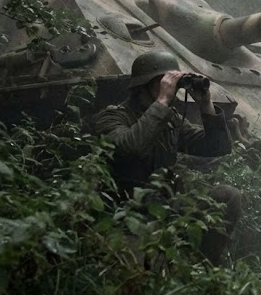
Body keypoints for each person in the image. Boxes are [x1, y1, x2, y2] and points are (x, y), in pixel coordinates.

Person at [91, 50, 241, 265]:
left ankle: (204, 265)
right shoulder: (113, 117)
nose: (170, 89)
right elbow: (131, 146)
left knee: (228, 196)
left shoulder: (170, 120)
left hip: (166, 208)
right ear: (143, 85)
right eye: (163, 83)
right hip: (125, 214)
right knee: (146, 264)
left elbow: (217, 147)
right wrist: (162, 101)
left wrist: (205, 104)